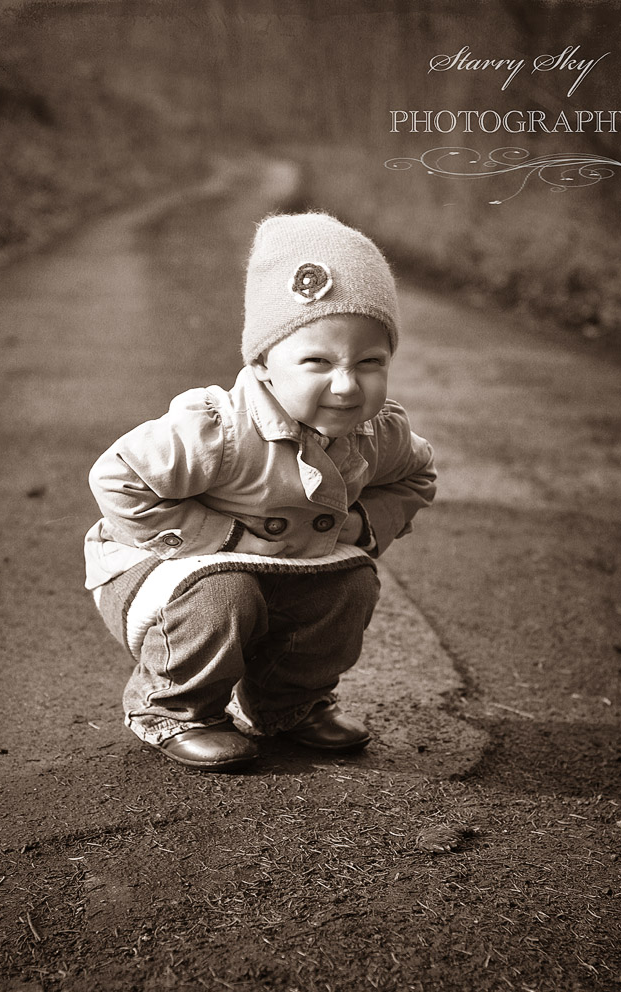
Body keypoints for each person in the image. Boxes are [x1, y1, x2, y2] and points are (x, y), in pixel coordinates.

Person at [84, 212, 437, 771]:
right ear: (265, 364)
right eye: (317, 362)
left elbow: (418, 475)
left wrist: (361, 525)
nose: (347, 386)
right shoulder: (219, 430)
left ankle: (288, 701)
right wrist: (222, 538)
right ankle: (173, 707)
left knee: (348, 582)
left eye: (371, 363)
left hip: (278, 569)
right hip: (160, 572)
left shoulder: (379, 434)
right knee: (226, 591)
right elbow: (118, 478)